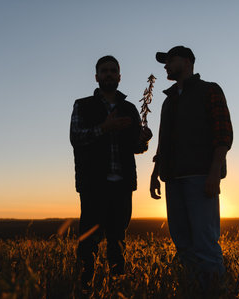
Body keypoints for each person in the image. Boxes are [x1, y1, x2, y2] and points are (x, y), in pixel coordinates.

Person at [150, 46, 233, 292]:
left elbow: (223, 134)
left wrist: (214, 173)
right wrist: (155, 174)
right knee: (183, 244)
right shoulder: (168, 101)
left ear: (187, 61)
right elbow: (163, 142)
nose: (165, 66)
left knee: (205, 244)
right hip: (172, 179)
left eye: (170, 60)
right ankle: (192, 290)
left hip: (200, 177)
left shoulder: (210, 90)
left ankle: (215, 292)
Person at [70, 55, 152, 289]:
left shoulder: (129, 108)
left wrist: (143, 140)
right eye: (104, 71)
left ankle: (118, 285)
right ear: (96, 77)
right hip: (93, 184)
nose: (108, 74)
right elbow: (76, 138)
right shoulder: (83, 105)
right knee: (89, 240)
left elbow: (136, 148)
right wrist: (104, 128)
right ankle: (85, 285)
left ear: (119, 76)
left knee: (118, 239)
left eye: (112, 70)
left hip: (123, 184)